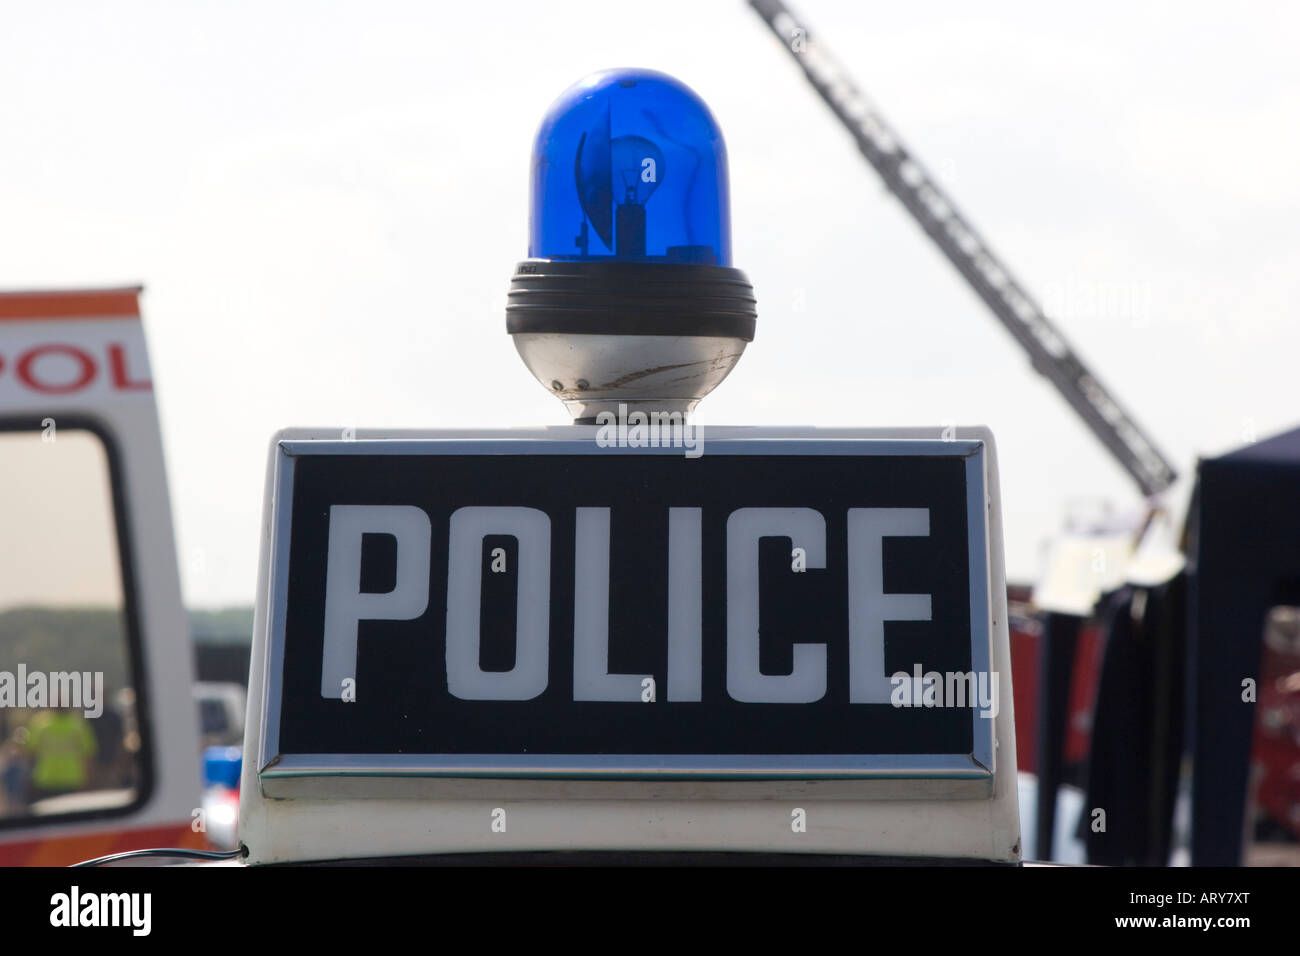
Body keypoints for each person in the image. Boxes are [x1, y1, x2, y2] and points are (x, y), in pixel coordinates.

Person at [24, 708, 98, 801]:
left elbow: (88, 755)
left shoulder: (78, 724)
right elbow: (30, 754)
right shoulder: (40, 723)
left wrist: (89, 780)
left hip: (68, 781)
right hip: (48, 781)